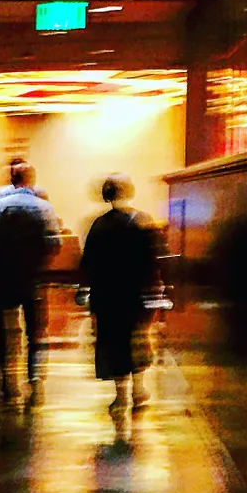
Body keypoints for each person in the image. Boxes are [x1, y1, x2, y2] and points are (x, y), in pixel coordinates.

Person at [0, 161, 60, 407]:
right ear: (31, 180)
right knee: (36, 330)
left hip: (3, 276)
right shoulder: (43, 207)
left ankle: (7, 378)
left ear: (12, 180)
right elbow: (54, 243)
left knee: (5, 329)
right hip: (32, 277)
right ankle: (35, 377)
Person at [80, 175, 159, 430]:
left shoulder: (98, 225)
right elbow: (152, 262)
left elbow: (88, 264)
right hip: (134, 294)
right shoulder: (142, 221)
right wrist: (154, 292)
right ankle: (139, 389)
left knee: (113, 343)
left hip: (107, 296)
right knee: (137, 339)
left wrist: (85, 292)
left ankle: (120, 395)